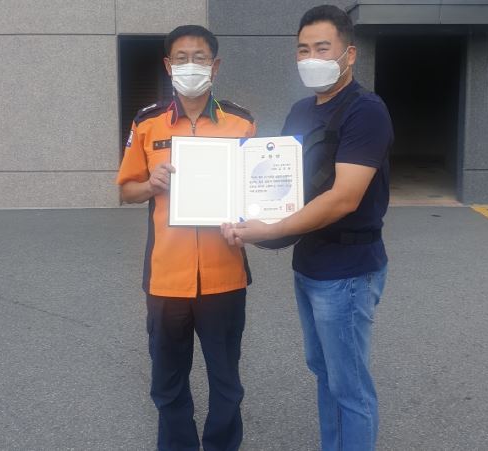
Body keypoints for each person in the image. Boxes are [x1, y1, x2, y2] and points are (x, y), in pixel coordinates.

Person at [222, 5, 394, 451]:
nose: (311, 58)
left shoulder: (365, 111)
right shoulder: (301, 111)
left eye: (322, 48)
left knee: (349, 385)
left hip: (348, 270)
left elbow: (344, 197)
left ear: (349, 54)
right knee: (325, 372)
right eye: (303, 49)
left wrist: (267, 230)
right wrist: (239, 196)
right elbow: (280, 181)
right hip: (310, 263)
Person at [117, 25, 256, 451]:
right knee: (168, 382)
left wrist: (254, 218)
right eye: (181, 58)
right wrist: (151, 184)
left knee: (226, 383)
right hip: (166, 279)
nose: (190, 65)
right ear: (168, 65)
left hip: (224, 276)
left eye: (200, 58)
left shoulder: (242, 123)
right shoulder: (146, 122)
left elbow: (256, 193)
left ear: (215, 65)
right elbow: (127, 190)